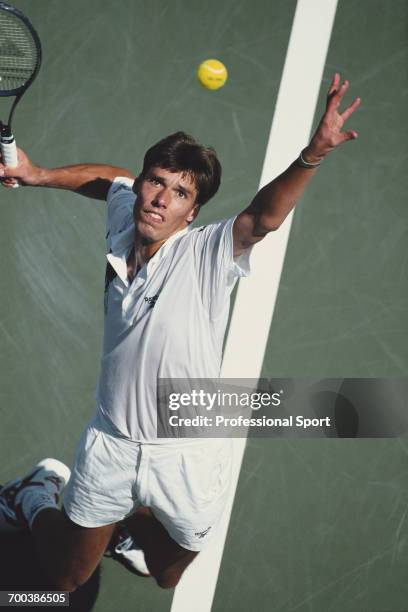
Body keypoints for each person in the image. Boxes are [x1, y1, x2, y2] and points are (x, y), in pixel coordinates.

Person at [0, 74, 360, 591]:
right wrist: (36, 173)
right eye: (157, 182)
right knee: (63, 582)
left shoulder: (207, 254)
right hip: (112, 444)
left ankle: (126, 524)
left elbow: (262, 217)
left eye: (180, 193)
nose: (160, 199)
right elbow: (113, 181)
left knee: (167, 574)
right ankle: (35, 496)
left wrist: (314, 154)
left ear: (192, 213)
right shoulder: (128, 217)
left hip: (187, 453)